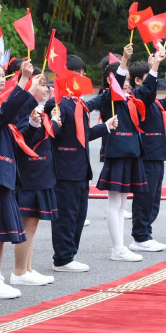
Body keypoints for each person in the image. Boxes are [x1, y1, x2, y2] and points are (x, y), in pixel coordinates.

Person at [44, 56, 111, 273]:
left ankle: (70, 254)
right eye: (80, 73)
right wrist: (52, 113)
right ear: (69, 76)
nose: (83, 77)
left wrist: (105, 126)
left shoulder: (77, 102)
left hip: (80, 170)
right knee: (66, 215)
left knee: (79, 215)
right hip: (65, 169)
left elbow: (83, 135)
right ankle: (62, 258)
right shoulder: (57, 103)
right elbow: (54, 133)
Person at [96, 46, 162, 262]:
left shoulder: (130, 97)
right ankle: (117, 249)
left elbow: (149, 92)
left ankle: (121, 247)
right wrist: (124, 60)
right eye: (122, 81)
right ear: (111, 81)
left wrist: (155, 67)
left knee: (122, 205)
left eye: (128, 81)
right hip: (118, 154)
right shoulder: (109, 98)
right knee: (115, 205)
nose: (126, 84)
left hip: (132, 154)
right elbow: (116, 80)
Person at [0, 63, 40, 298]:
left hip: (5, 181)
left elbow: (19, 127)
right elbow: (11, 108)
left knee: (1, 235)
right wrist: (24, 80)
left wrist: (30, 87)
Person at [127, 55, 166, 252]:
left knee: (154, 198)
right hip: (147, 154)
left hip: (157, 154)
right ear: (138, 81)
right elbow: (149, 93)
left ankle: (146, 233)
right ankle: (140, 236)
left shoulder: (151, 100)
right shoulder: (138, 96)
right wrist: (155, 66)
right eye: (149, 77)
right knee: (145, 197)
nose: (154, 83)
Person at [12, 74, 56, 286]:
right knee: (26, 225)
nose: (46, 89)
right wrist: (31, 124)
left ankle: (27, 268)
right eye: (42, 86)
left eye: (47, 86)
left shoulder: (43, 110)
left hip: (42, 174)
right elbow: (21, 137)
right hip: (29, 175)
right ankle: (19, 271)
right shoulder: (22, 110)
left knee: (33, 224)